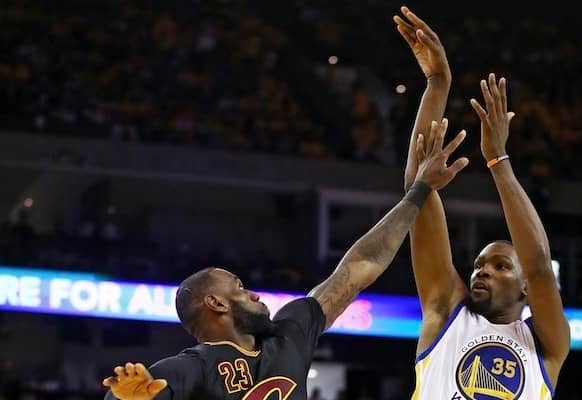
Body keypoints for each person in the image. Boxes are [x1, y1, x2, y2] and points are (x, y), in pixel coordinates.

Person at [101, 120, 470, 400]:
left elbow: (360, 266)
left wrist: (419, 191)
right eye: (239, 288)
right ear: (215, 303)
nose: (254, 294)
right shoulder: (191, 367)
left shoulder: (289, 333)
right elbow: (136, 393)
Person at [394, 7, 570, 400]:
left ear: (525, 288)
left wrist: (498, 161)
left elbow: (540, 266)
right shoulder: (447, 310)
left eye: (500, 265)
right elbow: (417, 191)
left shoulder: (548, 345)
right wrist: (437, 84)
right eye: (479, 264)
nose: (482, 271)